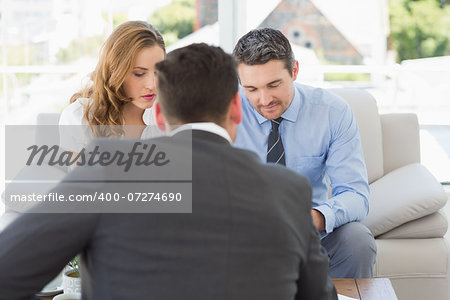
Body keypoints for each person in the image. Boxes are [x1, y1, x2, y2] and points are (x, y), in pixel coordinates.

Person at [0, 43, 337, 300]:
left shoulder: (107, 169)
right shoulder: (289, 190)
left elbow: (7, 270)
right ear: (236, 109)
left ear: (158, 116)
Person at [232, 28, 376, 278]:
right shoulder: (223, 112)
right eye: (251, 89)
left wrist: (315, 217)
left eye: (274, 85)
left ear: (294, 70)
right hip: (243, 233)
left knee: (357, 240)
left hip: (309, 232)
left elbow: (355, 194)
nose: (264, 99)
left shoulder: (332, 112)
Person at [59, 20, 165, 152]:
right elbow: (81, 172)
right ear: (115, 71)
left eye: (159, 72)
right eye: (139, 74)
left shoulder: (170, 112)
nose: (152, 85)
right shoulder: (79, 117)